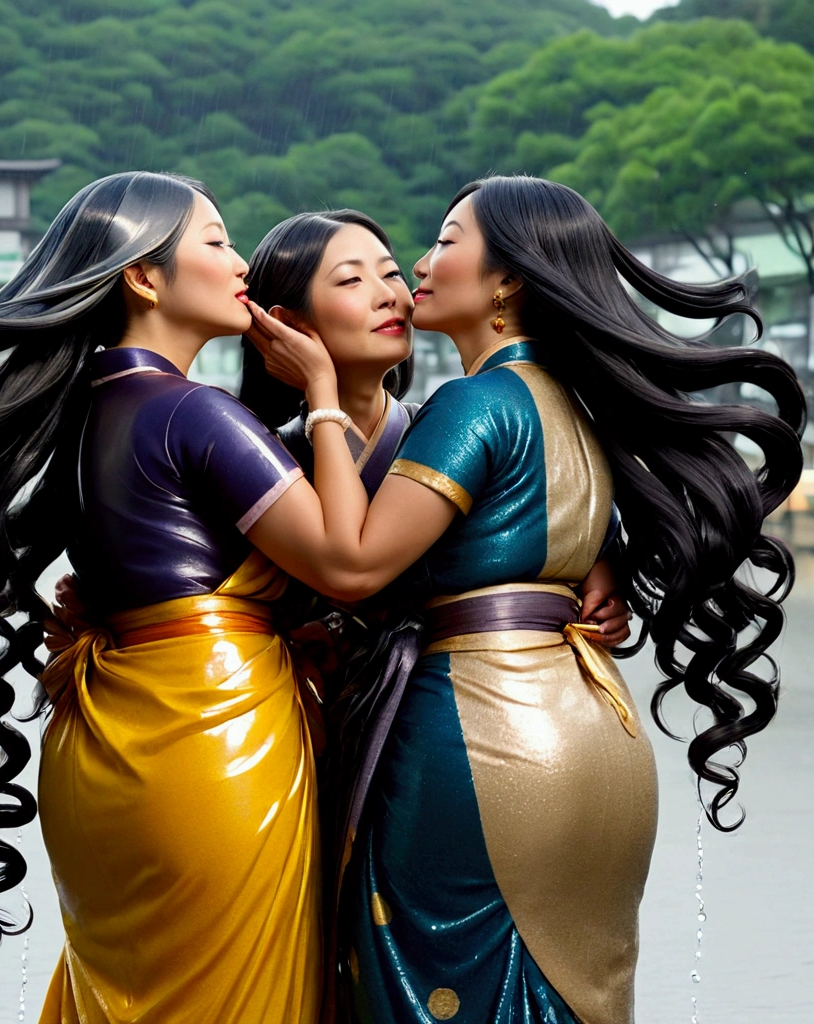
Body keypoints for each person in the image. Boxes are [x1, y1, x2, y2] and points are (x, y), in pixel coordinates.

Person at [0, 171, 383, 1024]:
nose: (240, 260)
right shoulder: (194, 414)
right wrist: (323, 393)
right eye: (215, 243)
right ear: (144, 276)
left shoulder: (77, 417)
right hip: (213, 730)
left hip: (98, 737)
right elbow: (345, 563)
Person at [243, 175, 805, 1023]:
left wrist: (320, 397)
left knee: (441, 984)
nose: (422, 266)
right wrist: (601, 564)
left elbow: (353, 566)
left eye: (445, 241)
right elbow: (554, 526)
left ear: (507, 279)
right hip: (592, 725)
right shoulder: (571, 402)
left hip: (480, 725)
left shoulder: (472, 403)